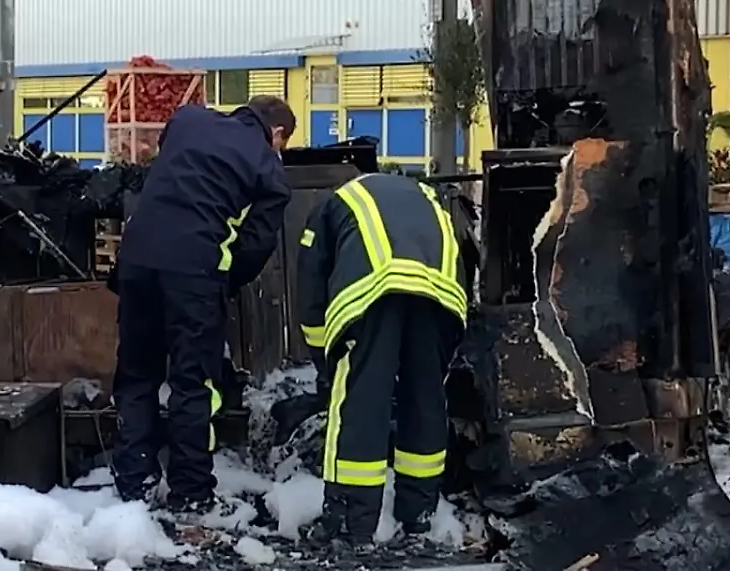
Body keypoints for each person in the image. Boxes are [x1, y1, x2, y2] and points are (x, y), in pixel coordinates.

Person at [113, 96, 294, 513]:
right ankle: (191, 494)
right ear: (278, 134)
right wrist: (220, 282)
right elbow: (253, 247)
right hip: (193, 270)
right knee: (192, 383)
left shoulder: (188, 119)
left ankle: (133, 485)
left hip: (136, 259)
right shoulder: (269, 168)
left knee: (137, 373)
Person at [295, 172, 468, 545]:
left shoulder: (335, 202)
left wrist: (327, 361)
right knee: (425, 398)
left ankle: (350, 522)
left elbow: (311, 285)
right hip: (441, 294)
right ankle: (418, 515)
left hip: (372, 290)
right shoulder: (428, 197)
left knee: (362, 400)